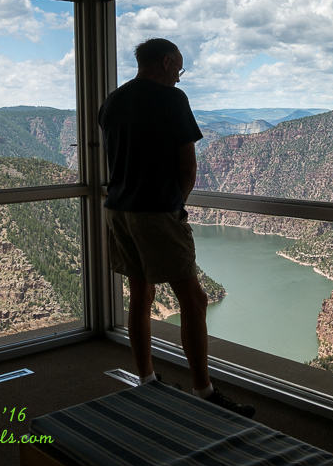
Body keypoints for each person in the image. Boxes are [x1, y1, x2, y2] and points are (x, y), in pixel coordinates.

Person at [98, 37, 254, 418]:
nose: (179, 79)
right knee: (194, 300)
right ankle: (204, 390)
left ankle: (146, 379)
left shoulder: (112, 101)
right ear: (166, 62)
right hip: (155, 213)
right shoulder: (171, 100)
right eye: (180, 70)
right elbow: (188, 165)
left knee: (140, 294)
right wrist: (176, 206)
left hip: (118, 210)